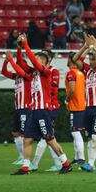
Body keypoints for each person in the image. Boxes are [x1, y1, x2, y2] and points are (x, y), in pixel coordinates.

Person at [11, 34, 72, 175]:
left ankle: (66, 163)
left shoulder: (46, 72)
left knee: (49, 139)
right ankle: (25, 168)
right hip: (34, 111)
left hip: (43, 110)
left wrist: (26, 44)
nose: (34, 61)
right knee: (27, 139)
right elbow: (21, 63)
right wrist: (20, 48)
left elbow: (32, 60)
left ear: (43, 62)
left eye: (37, 59)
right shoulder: (34, 73)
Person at [72, 35, 96, 173]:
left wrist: (94, 47)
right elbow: (76, 59)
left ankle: (90, 164)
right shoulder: (87, 71)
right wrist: (86, 47)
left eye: (93, 59)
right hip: (88, 108)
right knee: (93, 138)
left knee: (95, 137)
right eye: (90, 60)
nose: (91, 62)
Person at [31, 49, 63, 172]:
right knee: (48, 136)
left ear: (48, 58)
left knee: (47, 136)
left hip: (50, 106)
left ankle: (36, 163)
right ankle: (58, 162)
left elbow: (53, 89)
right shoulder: (37, 72)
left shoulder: (52, 70)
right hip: (43, 105)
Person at [1, 50, 32, 165]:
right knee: (15, 133)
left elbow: (19, 70)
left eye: (20, 65)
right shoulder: (17, 77)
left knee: (24, 135)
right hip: (18, 108)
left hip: (26, 109)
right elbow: (4, 72)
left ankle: (26, 158)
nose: (17, 67)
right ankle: (21, 156)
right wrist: (6, 61)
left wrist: (12, 61)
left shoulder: (28, 76)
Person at [64, 52, 86, 166]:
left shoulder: (71, 73)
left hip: (75, 107)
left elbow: (72, 90)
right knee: (76, 132)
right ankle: (77, 157)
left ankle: (81, 158)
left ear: (70, 60)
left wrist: (66, 100)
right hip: (82, 105)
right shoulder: (81, 73)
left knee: (75, 132)